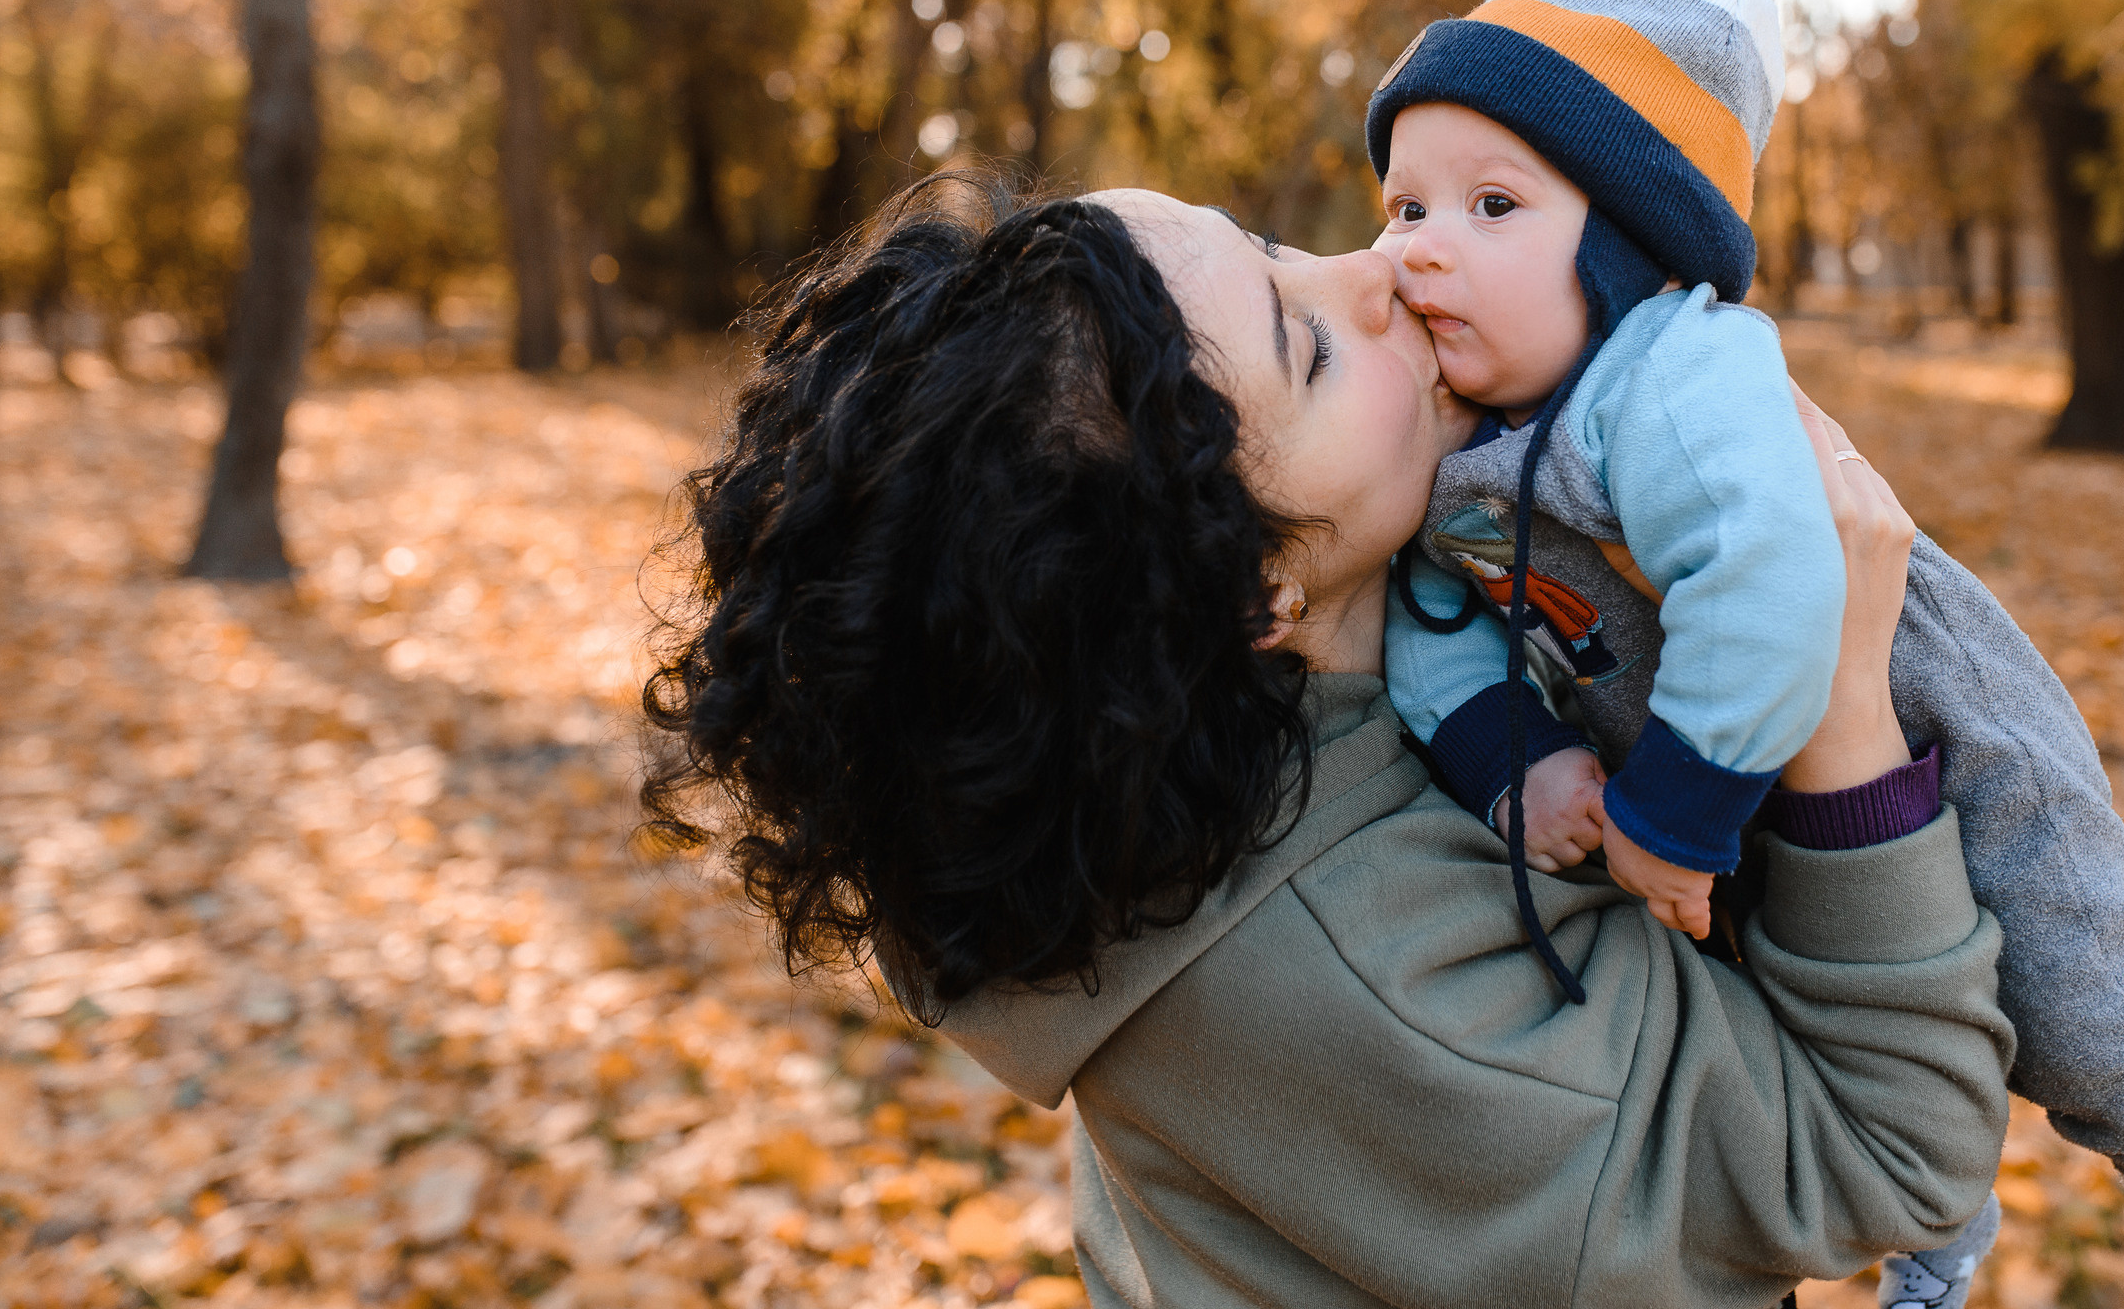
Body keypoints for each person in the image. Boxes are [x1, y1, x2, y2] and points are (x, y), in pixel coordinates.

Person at [643, 176, 2013, 1308]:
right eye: (1308, 343)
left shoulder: (1181, 777)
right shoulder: (1372, 983)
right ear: (1250, 591)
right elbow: (1895, 1157)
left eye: (1277, 252)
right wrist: (1835, 700)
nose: (1379, 264)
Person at [1368, 0, 2124, 1309]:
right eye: (1405, 207)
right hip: (1734, 777)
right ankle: (1938, 1220)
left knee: (2075, 997)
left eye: (1491, 208)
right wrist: (1509, 761)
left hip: (1929, 724)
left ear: (1632, 241)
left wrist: (1668, 813)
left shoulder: (1674, 371)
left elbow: (1768, 579)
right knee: (1815, 1007)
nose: (1423, 251)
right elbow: (1431, 615)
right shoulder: (1456, 436)